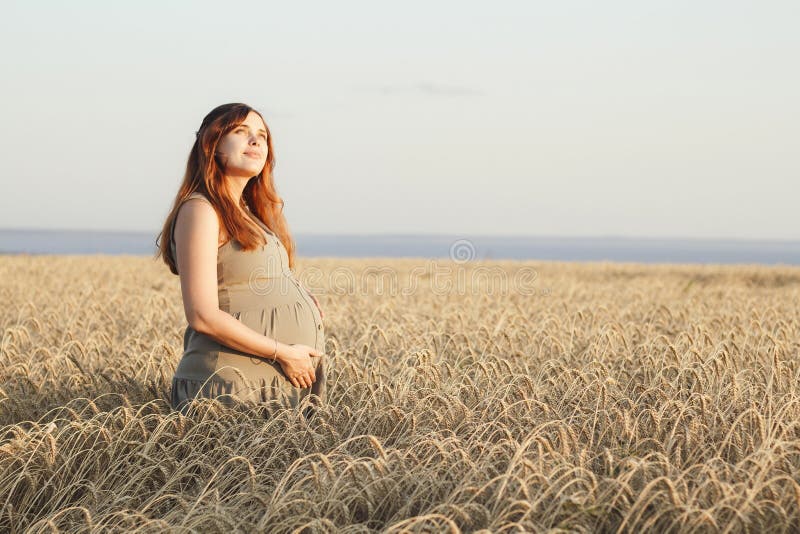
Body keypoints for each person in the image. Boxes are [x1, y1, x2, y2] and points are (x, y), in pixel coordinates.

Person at [156, 103, 326, 418]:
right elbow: (202, 315)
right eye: (241, 132)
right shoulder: (201, 210)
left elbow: (246, 277)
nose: (256, 141)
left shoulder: (250, 214)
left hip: (271, 383)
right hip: (229, 387)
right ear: (211, 143)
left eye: (262, 135)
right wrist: (284, 352)